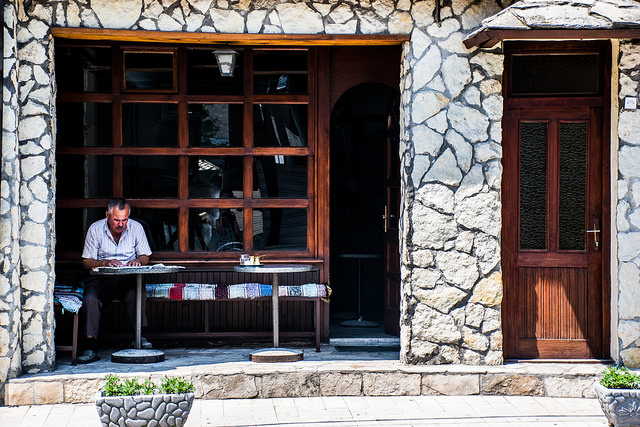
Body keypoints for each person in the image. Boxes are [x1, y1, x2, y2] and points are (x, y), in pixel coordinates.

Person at [78, 198, 153, 363]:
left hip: (127, 278)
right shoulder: (95, 229)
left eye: (124, 220)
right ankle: (90, 345)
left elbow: (145, 256)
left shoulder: (136, 228)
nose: (121, 224)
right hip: (101, 279)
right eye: (116, 220)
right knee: (90, 299)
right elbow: (87, 262)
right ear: (107, 215)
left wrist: (138, 261)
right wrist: (104, 262)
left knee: (137, 291)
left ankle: (139, 337)